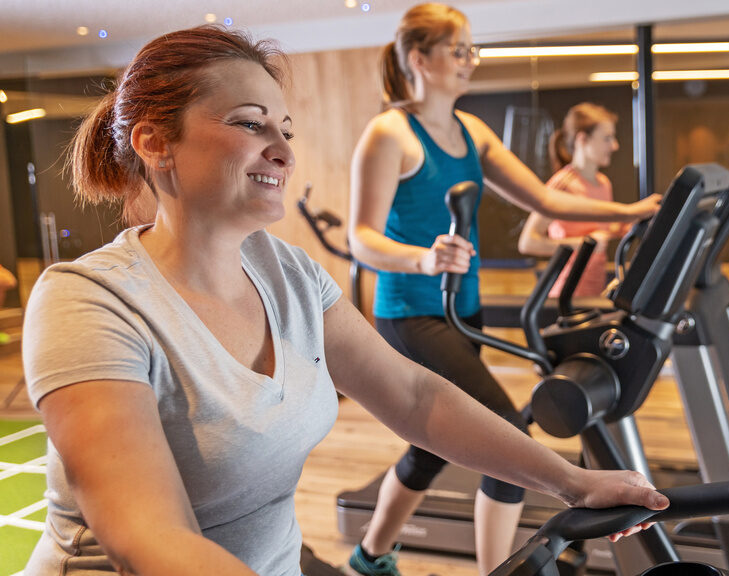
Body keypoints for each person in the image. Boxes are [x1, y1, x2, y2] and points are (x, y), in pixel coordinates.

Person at [22, 24, 666, 576]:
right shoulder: (89, 302)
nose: (283, 149)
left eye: (287, 128)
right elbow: (147, 540)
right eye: (250, 124)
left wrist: (570, 481)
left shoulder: (289, 274)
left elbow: (416, 397)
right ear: (155, 142)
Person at [346, 5, 662, 576]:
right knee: (504, 439)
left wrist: (630, 210)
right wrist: (424, 257)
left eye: (473, 49)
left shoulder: (472, 132)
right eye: (458, 50)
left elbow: (547, 200)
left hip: (461, 310)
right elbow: (361, 237)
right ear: (419, 58)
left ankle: (370, 557)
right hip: (409, 312)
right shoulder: (389, 133)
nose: (471, 60)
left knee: (430, 446)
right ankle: (498, 571)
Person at [518, 103, 630, 298]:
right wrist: (583, 244)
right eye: (607, 138)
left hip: (593, 294)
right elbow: (528, 242)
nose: (614, 146)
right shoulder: (563, 184)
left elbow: (601, 230)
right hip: (565, 294)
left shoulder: (604, 184)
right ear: (582, 139)